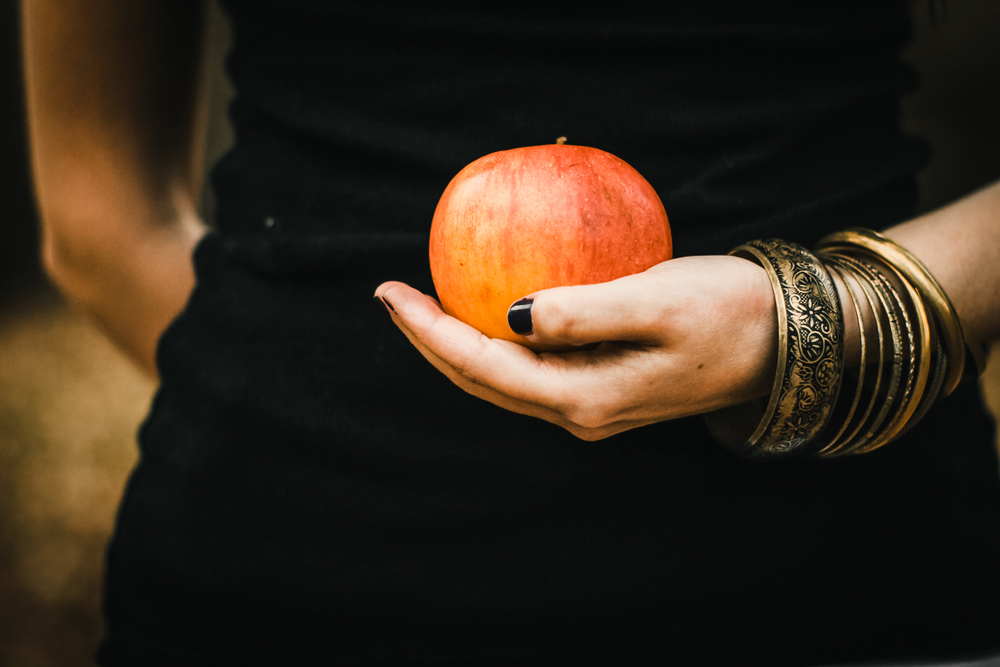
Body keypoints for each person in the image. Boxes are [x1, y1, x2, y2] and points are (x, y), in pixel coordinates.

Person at [22, 0, 1000, 664]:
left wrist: (825, 325)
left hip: (846, 579)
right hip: (275, 585)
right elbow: (103, 220)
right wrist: (293, 389)